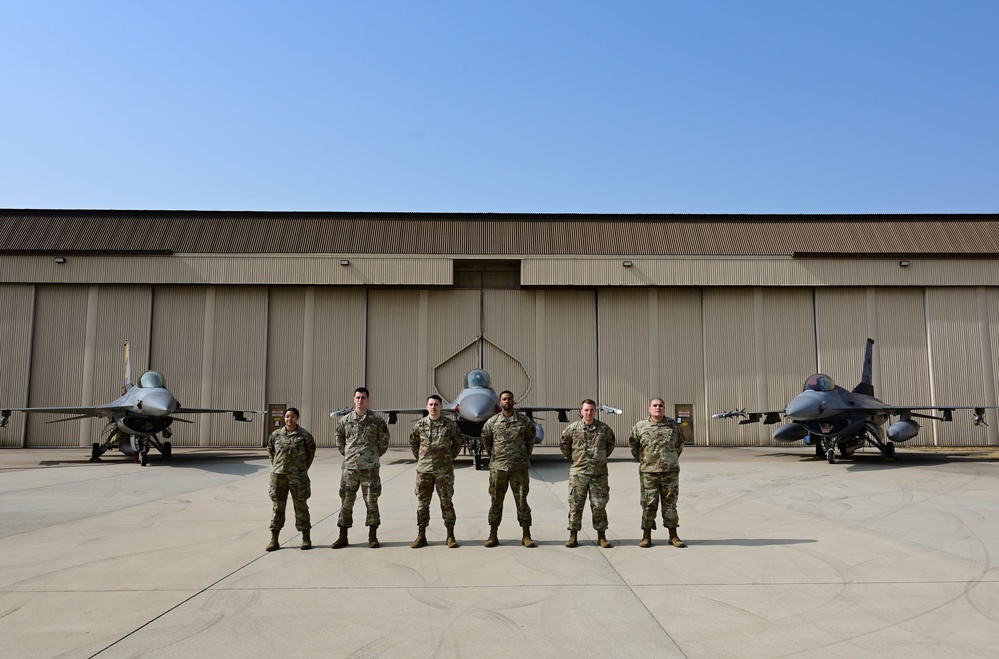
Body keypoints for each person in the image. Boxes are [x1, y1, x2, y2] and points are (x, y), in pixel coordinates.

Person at [332, 387, 391, 549]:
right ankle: (342, 536)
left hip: (370, 469)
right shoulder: (345, 420)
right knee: (346, 501)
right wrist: (349, 454)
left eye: (363, 397)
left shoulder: (376, 420)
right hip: (350, 469)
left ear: (368, 399)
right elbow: (340, 441)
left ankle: (372, 537)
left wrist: (373, 456)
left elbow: (384, 441)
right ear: (354, 399)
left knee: (371, 502)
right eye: (357, 397)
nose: (360, 400)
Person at [481, 390, 537, 548]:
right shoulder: (492, 422)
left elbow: (530, 441)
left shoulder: (524, 422)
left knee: (522, 502)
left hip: (519, 468)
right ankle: (493, 534)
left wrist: (522, 457)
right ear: (500, 402)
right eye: (504, 399)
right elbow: (486, 441)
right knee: (496, 502)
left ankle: (526, 535)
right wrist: (496, 457)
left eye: (509, 399)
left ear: (514, 401)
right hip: (498, 469)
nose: (507, 401)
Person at [629, 398, 686, 548]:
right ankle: (646, 536)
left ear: (664, 408)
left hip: (670, 472)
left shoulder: (673, 426)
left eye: (660, 406)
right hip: (649, 473)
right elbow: (634, 447)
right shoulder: (640, 426)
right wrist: (645, 461)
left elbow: (679, 445)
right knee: (648, 504)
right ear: (649, 408)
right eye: (655, 406)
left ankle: (673, 536)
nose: (657, 408)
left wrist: (670, 460)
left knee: (670, 504)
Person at [409, 394, 464, 548]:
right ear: (427, 407)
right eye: (431, 404)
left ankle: (450, 536)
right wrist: (421, 459)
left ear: (441, 407)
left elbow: (458, 442)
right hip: (424, 471)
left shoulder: (450, 425)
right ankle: (421, 535)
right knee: (422, 504)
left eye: (436, 405)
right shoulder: (419, 425)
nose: (433, 407)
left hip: (444, 471)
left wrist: (448, 458)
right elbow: (414, 443)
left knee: (446, 503)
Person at [560, 399, 616, 548]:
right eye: (586, 410)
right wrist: (575, 459)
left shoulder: (604, 429)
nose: (589, 413)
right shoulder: (572, 429)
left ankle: (601, 536)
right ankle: (573, 535)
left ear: (595, 411)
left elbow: (610, 445)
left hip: (599, 474)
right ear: (581, 411)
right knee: (575, 505)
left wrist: (600, 459)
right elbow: (565, 446)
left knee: (599, 506)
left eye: (591, 410)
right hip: (579, 474)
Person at [266, 407, 316, 551]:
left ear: (297, 418)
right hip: (279, 478)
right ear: (284, 418)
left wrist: (300, 469)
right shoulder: (275, 435)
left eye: (292, 416)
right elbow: (271, 452)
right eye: (287, 416)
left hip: (298, 478)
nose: (289, 419)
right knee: (277, 508)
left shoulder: (305, 436)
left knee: (301, 507)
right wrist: (278, 467)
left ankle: (306, 538)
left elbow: (310, 454)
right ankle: (274, 540)